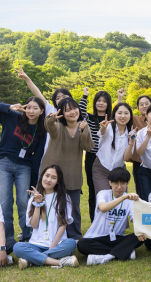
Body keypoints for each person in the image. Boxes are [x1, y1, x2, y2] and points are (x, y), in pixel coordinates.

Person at [0, 97, 46, 241]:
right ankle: (8, 239)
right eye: (28, 107)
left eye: (35, 108)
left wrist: (35, 178)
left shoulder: (41, 130)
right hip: (4, 163)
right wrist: (9, 107)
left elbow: (37, 156)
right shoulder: (13, 117)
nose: (31, 111)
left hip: (24, 166)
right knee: (4, 202)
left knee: (24, 202)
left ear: (41, 111)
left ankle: (27, 237)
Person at [40, 97, 94, 240]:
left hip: (72, 175)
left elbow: (88, 146)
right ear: (62, 114)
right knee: (50, 205)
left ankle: (75, 237)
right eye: (67, 110)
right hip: (52, 174)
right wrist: (50, 119)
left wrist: (84, 131)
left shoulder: (83, 125)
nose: (72, 112)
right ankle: (47, 235)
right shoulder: (58, 126)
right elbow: (50, 126)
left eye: (74, 108)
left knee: (74, 208)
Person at [13, 165, 79, 269]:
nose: (48, 180)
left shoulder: (64, 198)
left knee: (71, 243)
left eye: (53, 177)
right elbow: (34, 225)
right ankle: (59, 262)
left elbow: (63, 225)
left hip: (57, 244)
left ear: (58, 181)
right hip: (36, 244)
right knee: (17, 247)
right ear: (42, 176)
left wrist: (51, 247)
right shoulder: (33, 199)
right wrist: (38, 204)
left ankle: (32, 260)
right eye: (47, 176)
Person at [77, 168, 145, 265]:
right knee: (81, 245)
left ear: (128, 183)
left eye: (123, 183)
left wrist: (141, 229)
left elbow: (135, 219)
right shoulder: (103, 194)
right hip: (97, 237)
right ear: (110, 183)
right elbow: (103, 208)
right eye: (116, 183)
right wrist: (123, 197)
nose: (119, 187)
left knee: (139, 236)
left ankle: (107, 257)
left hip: (116, 238)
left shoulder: (130, 201)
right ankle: (124, 251)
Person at [79, 87, 125, 221]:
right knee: (93, 190)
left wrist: (120, 98)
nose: (101, 103)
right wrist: (85, 95)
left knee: (112, 189)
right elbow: (81, 110)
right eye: (98, 100)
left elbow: (119, 111)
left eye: (104, 101)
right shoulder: (89, 117)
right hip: (92, 157)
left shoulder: (111, 119)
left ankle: (111, 219)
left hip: (109, 157)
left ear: (108, 104)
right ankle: (95, 220)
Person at [16, 65, 72, 156]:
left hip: (68, 153)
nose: (61, 99)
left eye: (64, 97)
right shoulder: (51, 110)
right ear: (55, 101)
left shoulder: (75, 113)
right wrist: (27, 79)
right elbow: (37, 93)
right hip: (49, 153)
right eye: (58, 98)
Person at [92, 102, 134, 194]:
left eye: (126, 113)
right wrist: (103, 127)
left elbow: (126, 158)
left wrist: (131, 142)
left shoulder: (131, 133)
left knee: (119, 200)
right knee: (103, 197)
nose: (123, 116)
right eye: (119, 113)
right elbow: (103, 132)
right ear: (114, 115)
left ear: (130, 116)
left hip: (119, 171)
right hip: (101, 168)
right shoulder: (109, 127)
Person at [127, 95, 151, 198]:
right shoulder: (134, 119)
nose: (144, 106)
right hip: (139, 162)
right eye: (141, 104)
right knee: (142, 193)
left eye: (147, 103)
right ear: (137, 108)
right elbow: (119, 112)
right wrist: (120, 97)